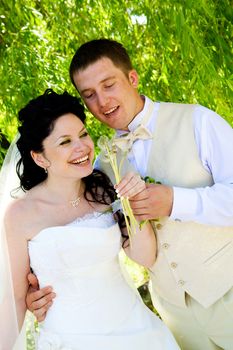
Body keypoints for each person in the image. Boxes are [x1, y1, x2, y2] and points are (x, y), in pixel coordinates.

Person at [27, 39, 233, 350]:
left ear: (132, 79)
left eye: (109, 85)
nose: (102, 101)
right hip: (175, 317)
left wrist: (175, 201)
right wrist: (36, 289)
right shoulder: (99, 167)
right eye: (89, 95)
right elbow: (72, 230)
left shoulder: (197, 121)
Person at [1, 89, 179, 349]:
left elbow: (145, 256)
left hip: (135, 330)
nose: (82, 146)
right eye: (65, 142)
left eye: (83, 134)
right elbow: (16, 298)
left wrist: (133, 203)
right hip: (70, 337)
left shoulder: (103, 189)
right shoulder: (20, 214)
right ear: (39, 157)